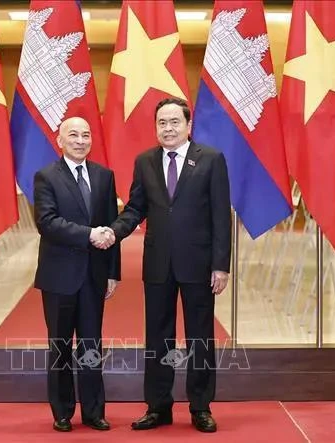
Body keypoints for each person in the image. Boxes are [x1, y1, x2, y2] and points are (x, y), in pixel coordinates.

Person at [110, 97, 231, 433]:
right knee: (158, 338)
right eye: (162, 123)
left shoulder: (211, 160)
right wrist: (113, 233)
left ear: (188, 125)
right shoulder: (145, 161)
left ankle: (201, 406)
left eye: (174, 122)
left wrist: (221, 265)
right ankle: (158, 406)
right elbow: (135, 209)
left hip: (199, 263)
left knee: (200, 338)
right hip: (158, 264)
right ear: (156, 127)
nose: (168, 128)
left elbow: (221, 216)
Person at [33, 116, 120, 432]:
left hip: (94, 276)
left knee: (91, 345)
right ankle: (62, 411)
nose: (80, 140)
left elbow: (112, 225)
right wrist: (88, 234)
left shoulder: (104, 176)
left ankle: (94, 411)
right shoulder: (46, 177)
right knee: (59, 345)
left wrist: (113, 272)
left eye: (86, 135)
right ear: (60, 140)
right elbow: (46, 222)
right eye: (73, 135)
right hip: (58, 277)